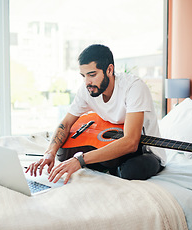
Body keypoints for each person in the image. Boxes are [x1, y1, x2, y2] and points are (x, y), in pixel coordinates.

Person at [26, 44, 166, 184]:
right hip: (111, 143)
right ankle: (107, 164)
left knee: (131, 170)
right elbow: (66, 123)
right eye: (83, 76)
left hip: (145, 150)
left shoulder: (133, 87)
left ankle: (106, 165)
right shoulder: (87, 89)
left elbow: (131, 142)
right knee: (64, 154)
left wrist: (79, 160)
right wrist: (49, 153)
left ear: (109, 69)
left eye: (92, 75)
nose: (87, 82)